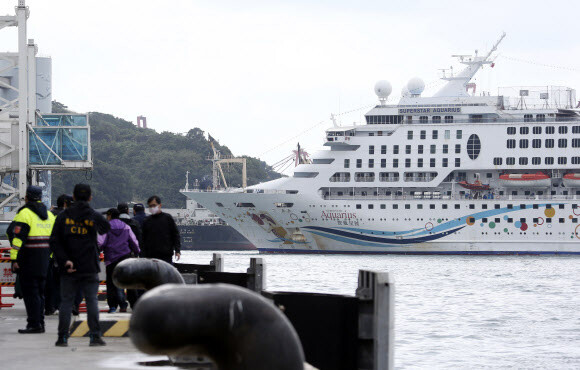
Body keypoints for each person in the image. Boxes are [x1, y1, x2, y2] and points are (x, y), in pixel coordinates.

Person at [50, 184, 110, 347]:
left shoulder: (63, 216)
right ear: (90, 197)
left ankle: (62, 338)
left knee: (66, 302)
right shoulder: (93, 215)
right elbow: (106, 228)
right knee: (91, 301)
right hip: (89, 266)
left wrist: (64, 260)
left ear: (74, 197)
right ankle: (95, 337)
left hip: (68, 266)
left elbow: (54, 241)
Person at [7, 186, 56, 334]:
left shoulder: (24, 214)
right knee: (40, 293)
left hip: (28, 259)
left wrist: (14, 259)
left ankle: (33, 324)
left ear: (26, 197)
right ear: (41, 197)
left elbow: (17, 238)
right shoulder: (49, 215)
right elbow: (55, 239)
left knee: (30, 293)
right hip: (45, 260)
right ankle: (40, 323)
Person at [98, 208, 140, 313]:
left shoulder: (106, 227)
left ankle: (113, 306)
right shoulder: (126, 227)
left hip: (111, 259)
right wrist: (137, 251)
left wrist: (98, 251)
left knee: (112, 283)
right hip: (125, 257)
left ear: (109, 216)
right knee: (129, 282)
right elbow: (133, 241)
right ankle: (133, 305)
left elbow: (100, 243)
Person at [45, 194, 73, 316]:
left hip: (51, 255)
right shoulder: (69, 216)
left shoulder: (50, 215)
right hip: (67, 255)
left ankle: (52, 306)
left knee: (52, 282)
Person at [141, 196, 181, 264]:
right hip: (150, 256)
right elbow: (142, 239)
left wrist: (177, 250)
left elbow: (175, 235)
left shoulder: (168, 218)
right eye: (150, 206)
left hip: (166, 256)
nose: (152, 208)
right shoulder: (146, 221)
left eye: (154, 205)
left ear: (160, 205)